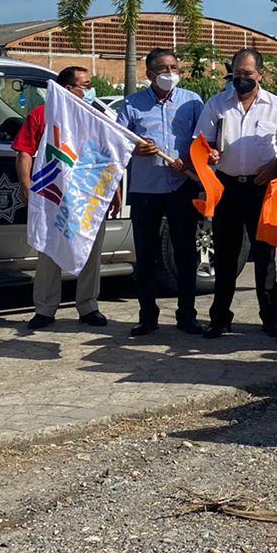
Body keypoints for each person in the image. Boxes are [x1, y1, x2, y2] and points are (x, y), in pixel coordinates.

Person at [195, 48, 277, 339]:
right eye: (237, 74)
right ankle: (220, 318)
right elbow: (200, 141)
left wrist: (275, 164)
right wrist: (208, 152)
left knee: (265, 255)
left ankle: (271, 318)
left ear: (261, 75)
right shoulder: (217, 104)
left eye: (247, 74)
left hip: (262, 188)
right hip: (226, 187)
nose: (241, 79)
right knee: (225, 255)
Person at [15, 66, 114, 330]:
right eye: (85, 84)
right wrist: (27, 185)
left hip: (88, 194)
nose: (90, 90)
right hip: (52, 195)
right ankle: (45, 309)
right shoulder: (41, 116)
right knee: (49, 250)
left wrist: (111, 191)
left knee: (90, 251)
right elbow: (25, 151)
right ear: (67, 89)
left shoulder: (95, 118)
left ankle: (88, 306)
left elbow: (106, 158)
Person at [117, 49, 204, 337]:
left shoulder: (192, 102)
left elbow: (202, 141)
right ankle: (147, 316)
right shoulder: (132, 104)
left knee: (185, 252)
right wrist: (135, 148)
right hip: (146, 189)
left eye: (175, 67)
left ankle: (187, 315)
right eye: (164, 69)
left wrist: (190, 161)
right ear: (150, 74)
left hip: (181, 186)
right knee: (146, 254)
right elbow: (117, 142)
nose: (170, 73)